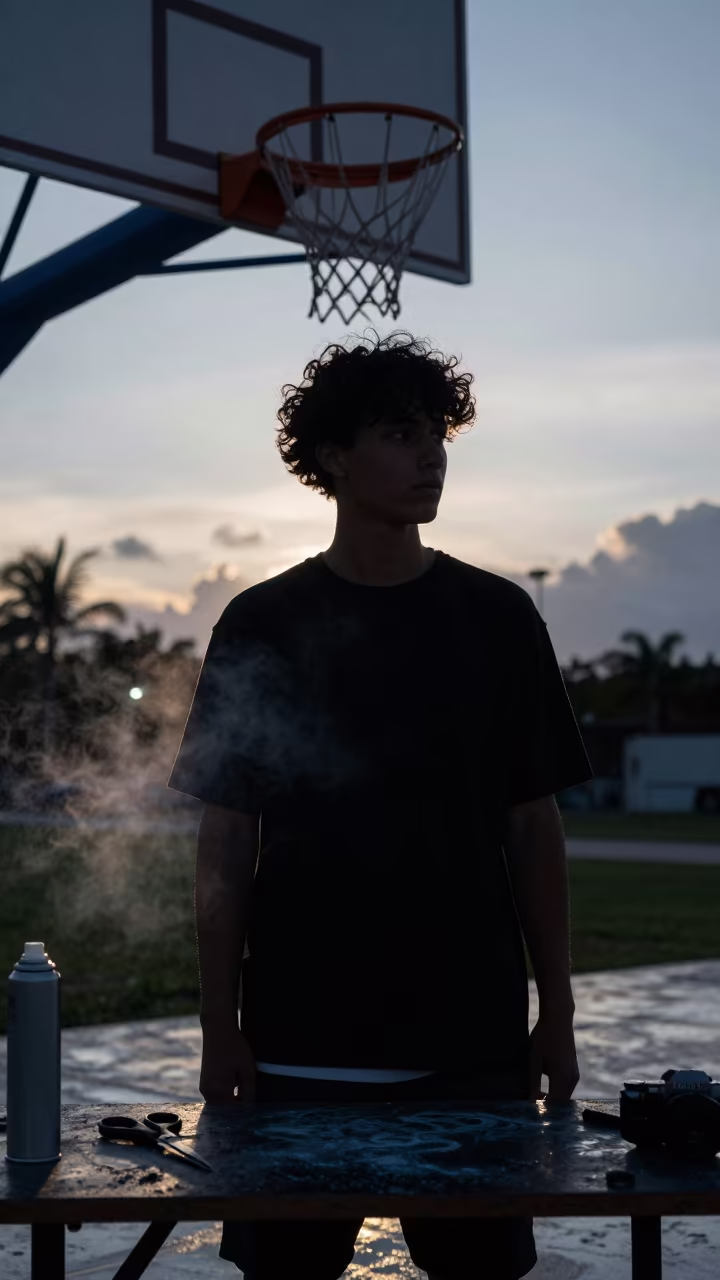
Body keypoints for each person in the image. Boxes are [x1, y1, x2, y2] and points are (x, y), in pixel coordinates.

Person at [169, 331, 593, 1280]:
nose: (431, 454)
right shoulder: (263, 622)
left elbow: (533, 828)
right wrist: (218, 1023)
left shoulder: (498, 617)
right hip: (299, 1042)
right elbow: (226, 840)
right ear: (333, 457)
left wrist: (558, 1011)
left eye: (438, 433)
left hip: (470, 1044)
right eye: (401, 434)